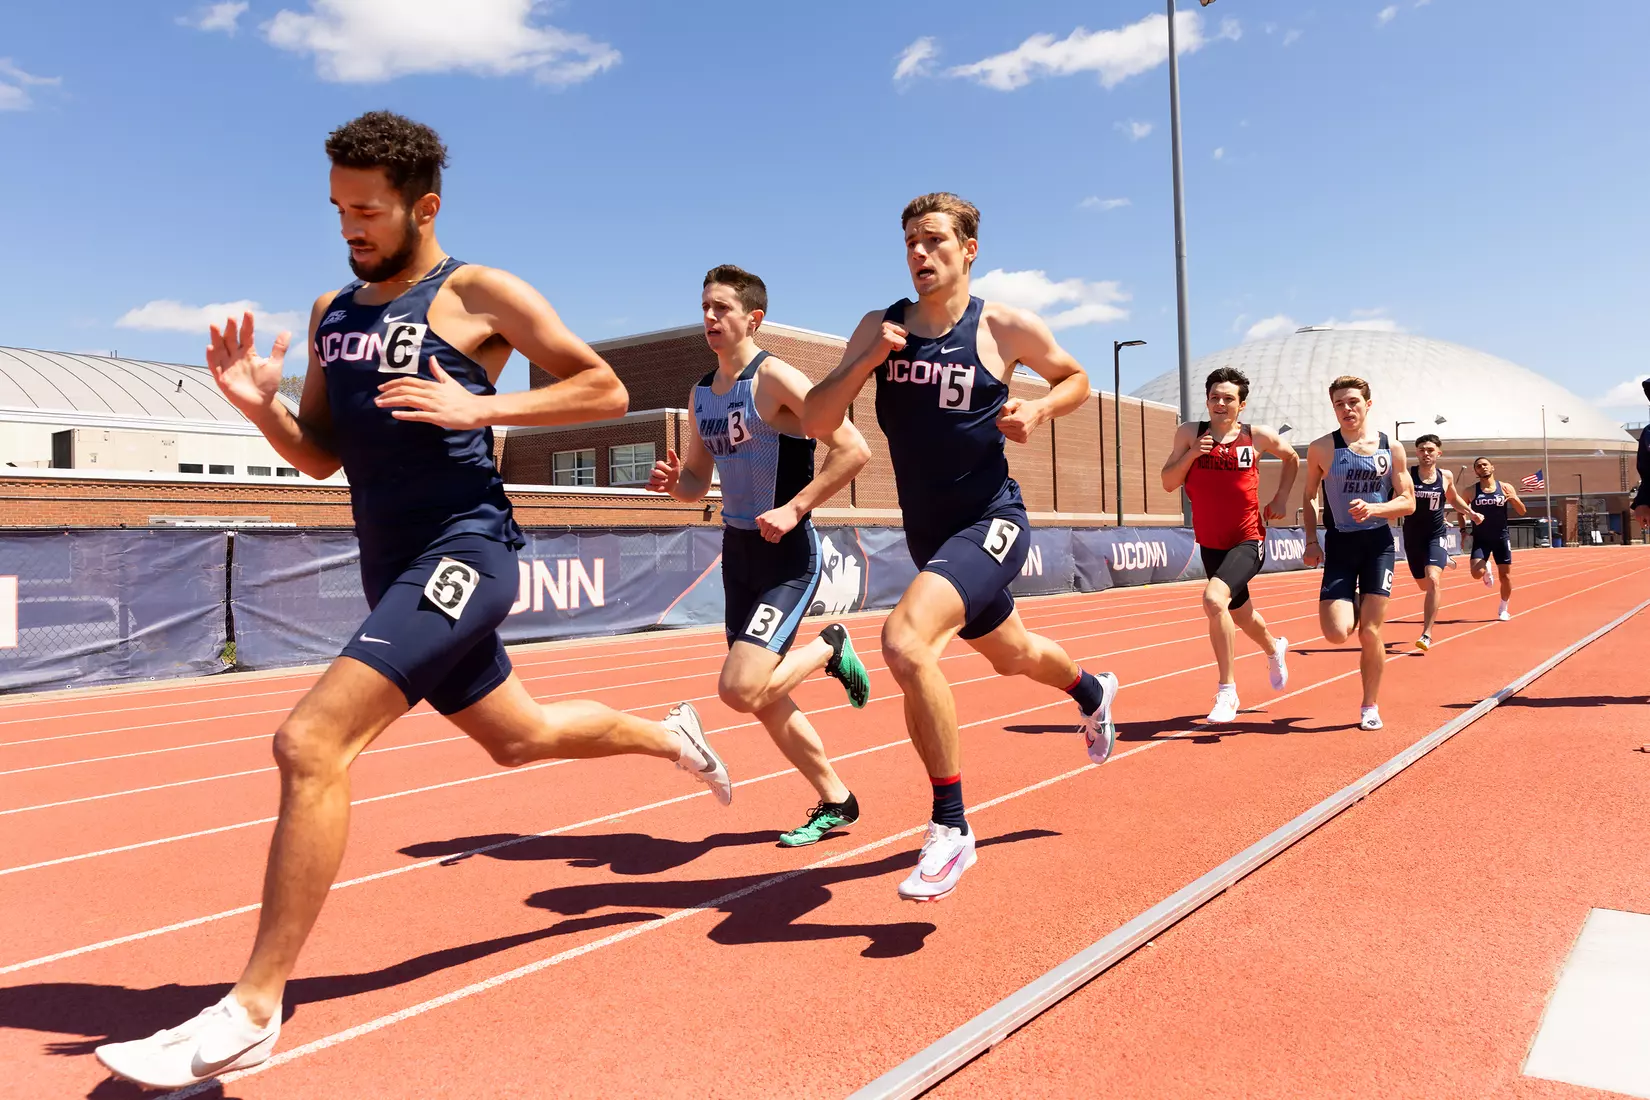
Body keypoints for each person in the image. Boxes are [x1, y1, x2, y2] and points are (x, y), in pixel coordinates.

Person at [94, 112, 733, 1090]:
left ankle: (254, 1007)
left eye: (368, 209)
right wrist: (255, 404)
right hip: (388, 563)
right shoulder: (331, 311)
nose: (348, 226)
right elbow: (318, 458)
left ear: (422, 206)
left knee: (310, 742)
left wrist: (484, 404)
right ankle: (671, 734)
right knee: (518, 736)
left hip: (466, 550)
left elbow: (600, 386)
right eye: (337, 208)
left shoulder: (475, 291)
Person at [803, 193, 1120, 903]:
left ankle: (950, 828)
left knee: (906, 644)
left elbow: (1076, 378)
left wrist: (1036, 406)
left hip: (991, 520)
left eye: (936, 241)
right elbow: (818, 419)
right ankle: (1093, 692)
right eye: (911, 242)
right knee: (1013, 656)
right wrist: (864, 364)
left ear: (968, 249)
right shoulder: (878, 327)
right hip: (930, 535)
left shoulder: (1001, 324)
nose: (921, 254)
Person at [648, 264, 873, 846]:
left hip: (788, 556)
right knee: (764, 696)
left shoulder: (773, 379)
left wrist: (795, 508)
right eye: (704, 307)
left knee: (742, 689)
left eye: (721, 308)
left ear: (753, 318)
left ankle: (830, 647)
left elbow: (853, 449)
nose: (709, 318)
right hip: (738, 553)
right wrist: (678, 484)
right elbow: (699, 479)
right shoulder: (701, 394)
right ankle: (837, 801)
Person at [1160, 367, 1298, 723]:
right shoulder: (1190, 434)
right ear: (1206, 401)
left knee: (1212, 599)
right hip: (1211, 541)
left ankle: (1227, 692)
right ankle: (1274, 647)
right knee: (1242, 615)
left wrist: (1282, 497)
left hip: (1247, 538)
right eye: (1214, 398)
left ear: (1242, 405)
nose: (1220, 404)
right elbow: (1167, 482)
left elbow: (1292, 458)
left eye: (1228, 399)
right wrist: (1192, 455)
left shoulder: (1257, 437)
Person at [1299, 376, 1415, 730]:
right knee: (1336, 633)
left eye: (1352, 402)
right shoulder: (1322, 449)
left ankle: (1370, 706)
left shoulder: (1390, 447)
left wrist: (1376, 510)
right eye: (1339, 404)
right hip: (1340, 544)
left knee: (1370, 632)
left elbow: (1408, 502)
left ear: (1368, 404)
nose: (1346, 409)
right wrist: (1312, 541)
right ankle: (1348, 596)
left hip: (1378, 545)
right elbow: (1308, 497)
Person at [1402, 434, 1480, 650]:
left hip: (1436, 534)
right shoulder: (1407, 476)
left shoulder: (1445, 476)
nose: (1425, 454)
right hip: (1412, 536)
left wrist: (1471, 512)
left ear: (1438, 453)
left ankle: (1426, 633)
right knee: (1423, 585)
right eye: (1421, 450)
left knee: (1434, 580)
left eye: (1429, 450)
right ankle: (1444, 559)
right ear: (1416, 453)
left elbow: (1453, 498)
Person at [1466, 457, 1526, 621]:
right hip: (1481, 537)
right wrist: (1464, 529)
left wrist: (1513, 498)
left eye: (1485, 464)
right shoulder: (1470, 491)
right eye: (1478, 466)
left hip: (1501, 536)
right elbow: (1460, 507)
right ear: (1475, 471)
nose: (1482, 467)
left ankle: (1503, 608)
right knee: (1476, 574)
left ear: (1492, 467)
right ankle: (1486, 567)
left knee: (1505, 576)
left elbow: (1522, 511)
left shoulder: (1505, 487)